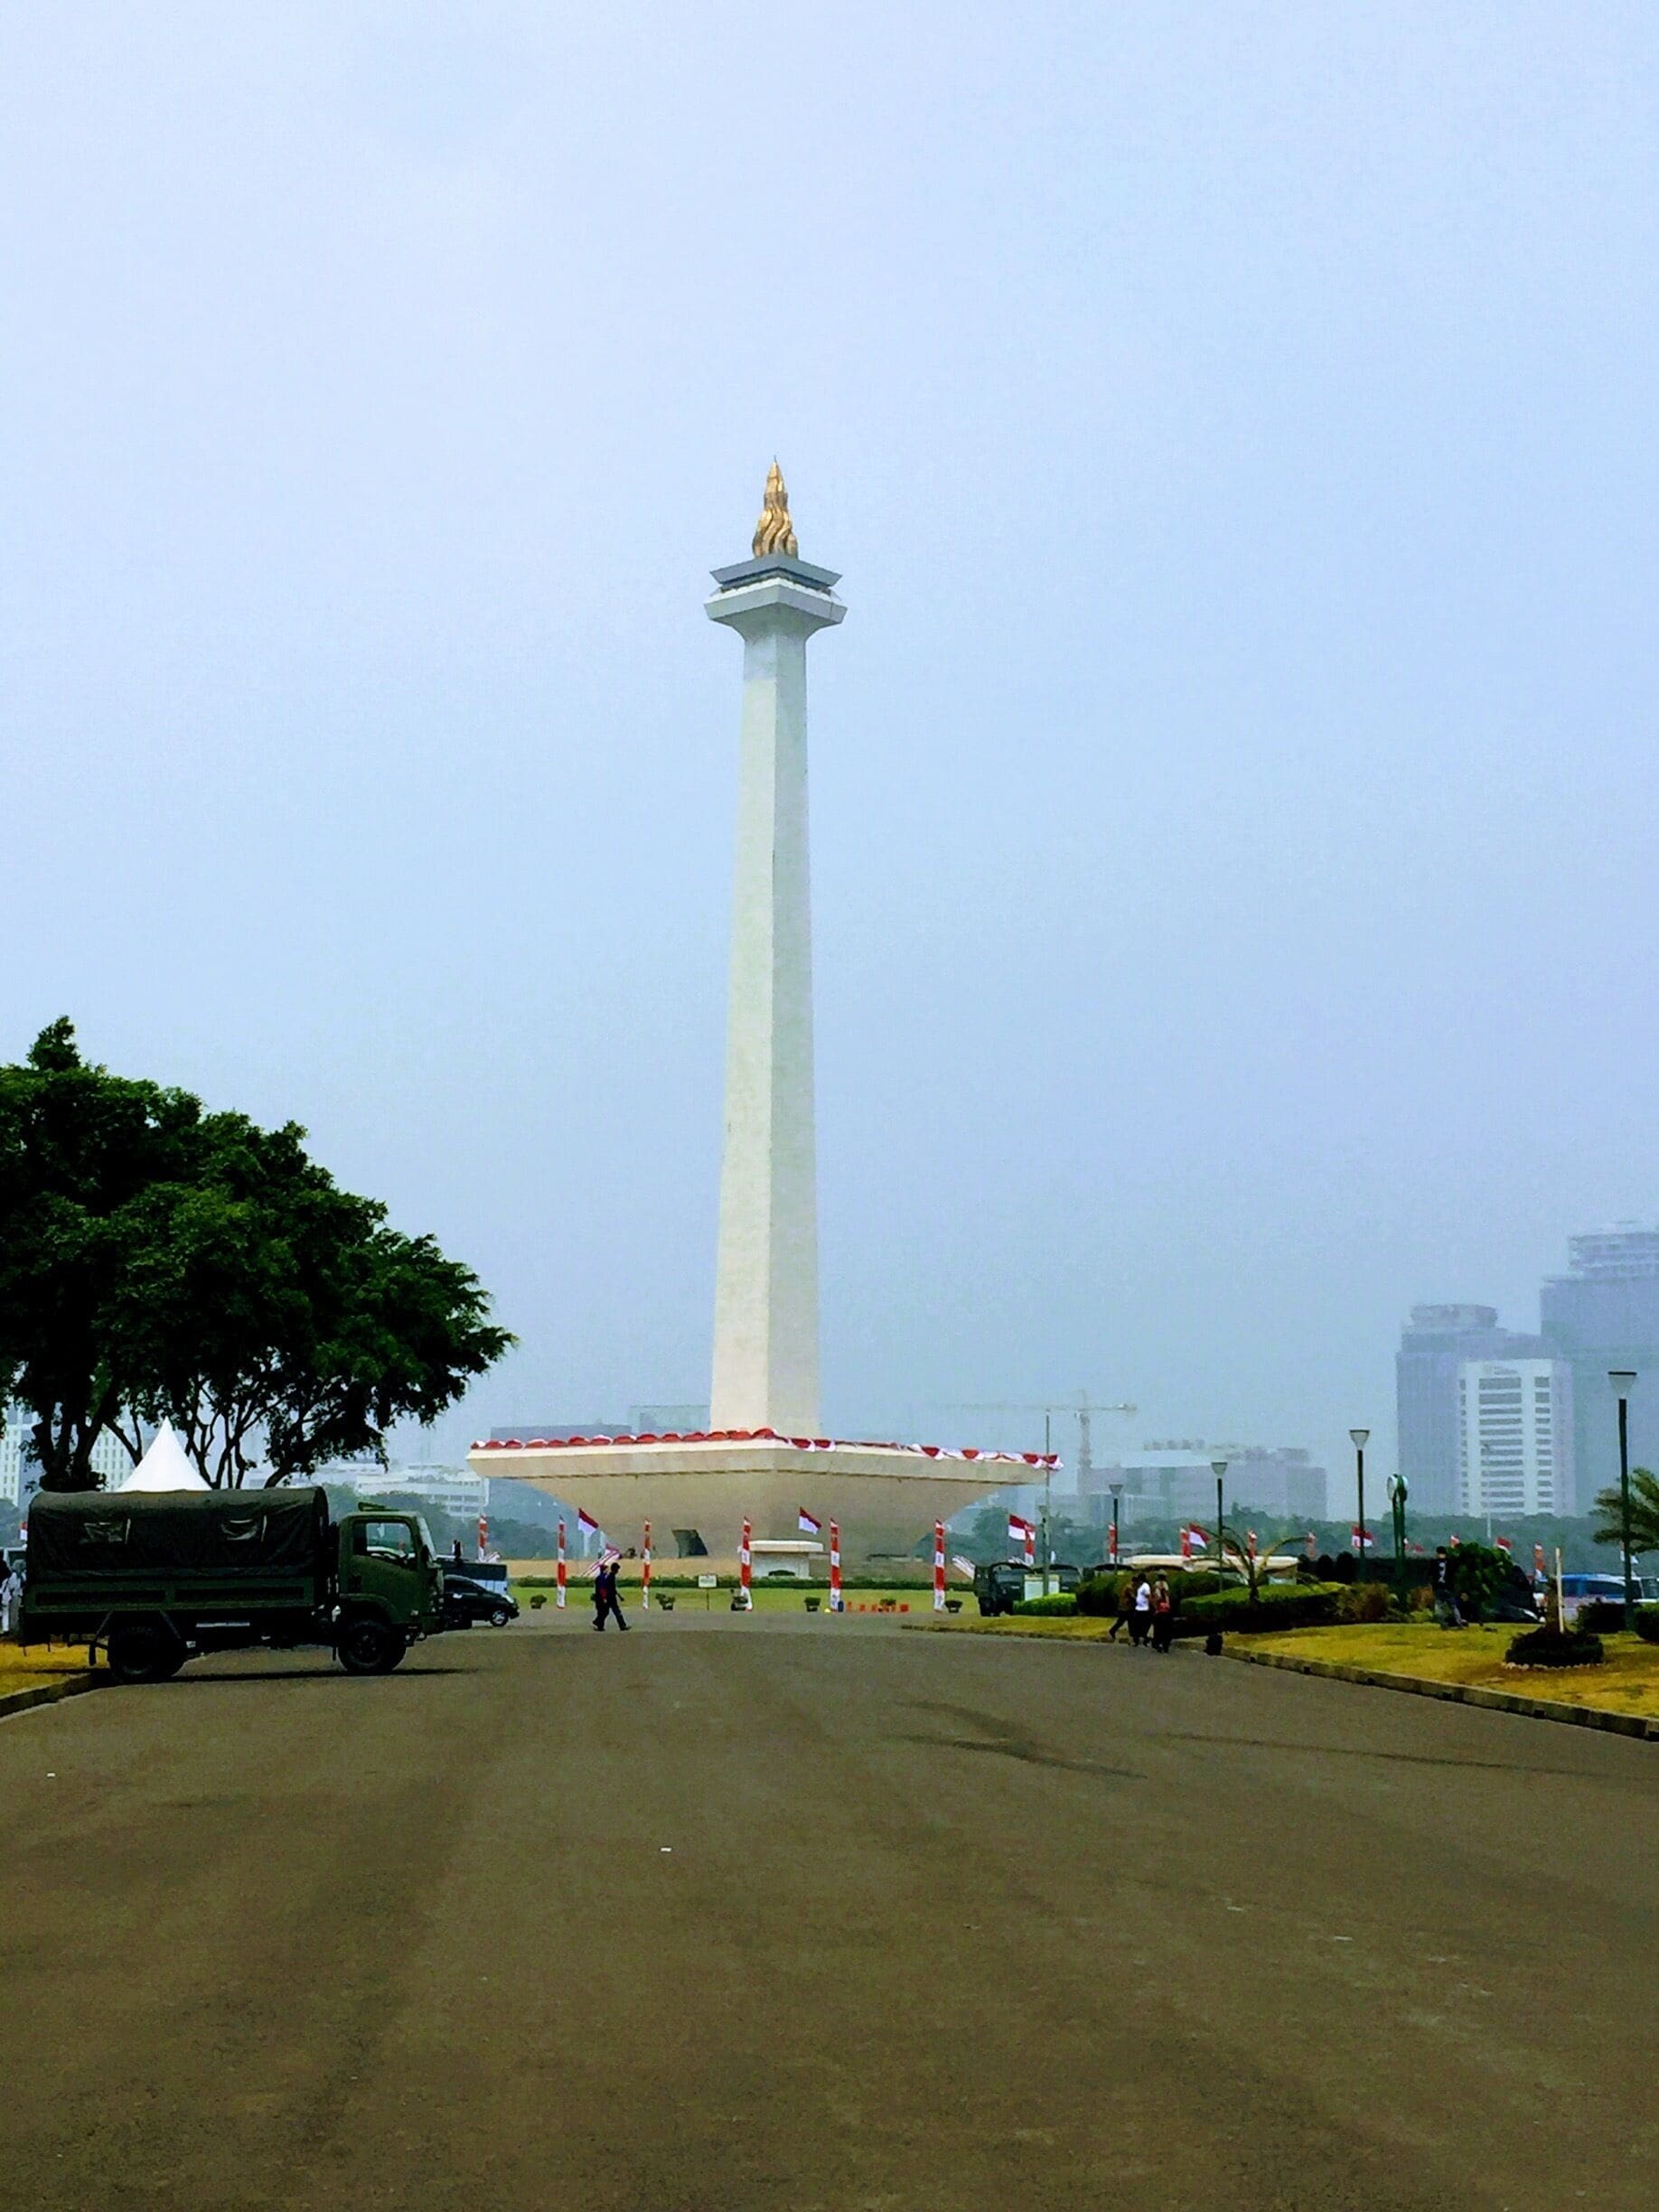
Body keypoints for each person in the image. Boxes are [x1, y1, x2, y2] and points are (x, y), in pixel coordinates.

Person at [1432, 1546, 1463, 1628]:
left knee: (1439, 1607)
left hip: (1439, 1588)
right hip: (1449, 1588)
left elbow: (1431, 1574)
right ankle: (1459, 1623)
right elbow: (1455, 1573)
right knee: (1453, 1607)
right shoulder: (1451, 1562)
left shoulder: (1434, 1563)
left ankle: (1443, 1624)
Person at [1150, 1573, 1176, 1653]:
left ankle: (1159, 1643)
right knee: (1165, 1630)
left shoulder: (1158, 1585)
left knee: (1159, 1630)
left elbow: (1155, 1598)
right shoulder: (1164, 1585)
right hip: (1164, 1612)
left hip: (1160, 1613)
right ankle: (1164, 1644)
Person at [1107, 1574, 1136, 1641]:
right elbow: (1133, 1597)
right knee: (1130, 1622)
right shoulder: (1129, 1588)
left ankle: (1112, 1631)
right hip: (1126, 1608)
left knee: (1122, 1621)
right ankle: (1132, 1636)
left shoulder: (1126, 1586)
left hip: (1123, 1607)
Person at [1129, 1574, 1153, 1647]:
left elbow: (1148, 1596)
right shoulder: (1140, 1586)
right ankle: (1136, 1641)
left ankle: (1145, 1640)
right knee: (1137, 1626)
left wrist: (1151, 1605)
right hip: (1138, 1608)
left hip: (1144, 1609)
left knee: (1143, 1626)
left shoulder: (1146, 1586)